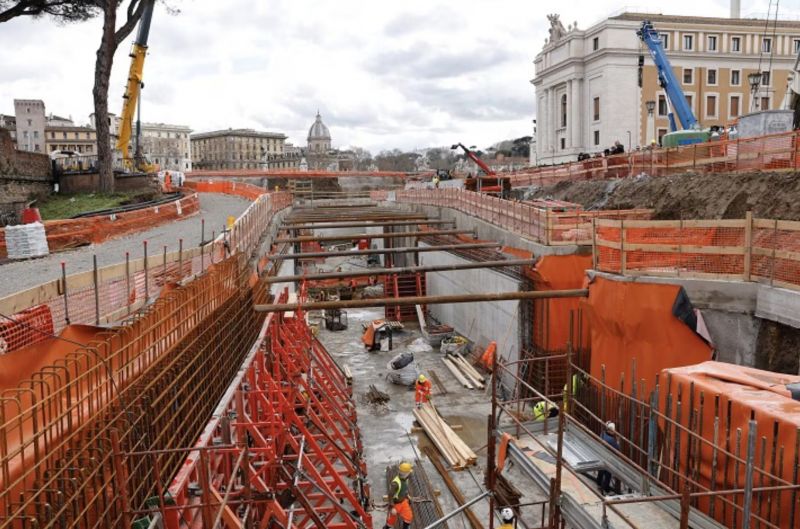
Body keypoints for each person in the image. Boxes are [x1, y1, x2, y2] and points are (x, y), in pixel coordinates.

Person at [385, 462, 414, 529]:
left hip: (403, 502)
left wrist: (407, 496)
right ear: (406, 473)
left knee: (408, 516)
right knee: (391, 521)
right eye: (409, 472)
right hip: (396, 504)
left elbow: (404, 489)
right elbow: (390, 495)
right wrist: (392, 507)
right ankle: (386, 527)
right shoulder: (395, 483)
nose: (410, 474)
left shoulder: (405, 479)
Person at [596, 421, 621, 495]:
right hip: (608, 458)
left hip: (601, 455)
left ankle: (599, 483)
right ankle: (606, 488)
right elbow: (617, 449)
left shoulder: (602, 434)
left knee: (601, 470)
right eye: (614, 430)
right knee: (608, 473)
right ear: (611, 430)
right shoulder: (611, 440)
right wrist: (618, 442)